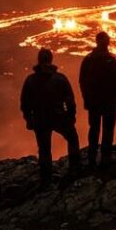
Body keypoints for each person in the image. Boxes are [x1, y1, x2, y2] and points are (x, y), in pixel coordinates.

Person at [20, 48, 78, 185]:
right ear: (51, 60)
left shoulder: (31, 80)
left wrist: (29, 120)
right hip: (59, 117)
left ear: (39, 60)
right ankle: (75, 170)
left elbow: (25, 103)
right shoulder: (60, 78)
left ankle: (46, 179)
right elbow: (70, 100)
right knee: (73, 139)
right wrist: (71, 116)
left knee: (44, 149)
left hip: (40, 120)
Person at [79, 32, 116, 168]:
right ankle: (105, 158)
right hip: (108, 101)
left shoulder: (88, 59)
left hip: (94, 102)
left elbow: (82, 81)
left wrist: (86, 99)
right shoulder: (111, 59)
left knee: (94, 129)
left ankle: (92, 158)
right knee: (107, 129)